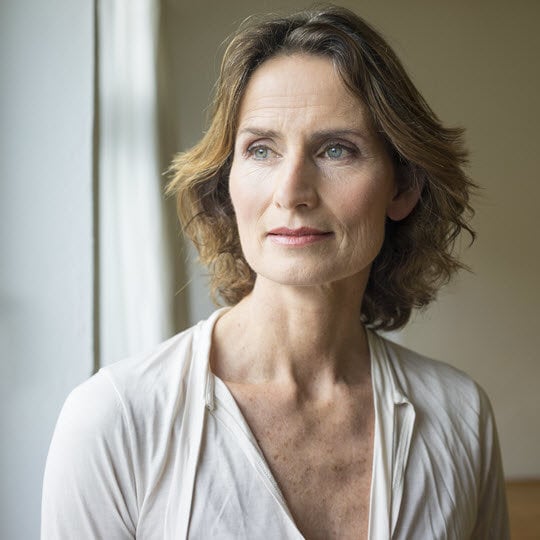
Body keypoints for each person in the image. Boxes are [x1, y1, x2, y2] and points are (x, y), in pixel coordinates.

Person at [41, 5, 509, 539]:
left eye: (337, 149)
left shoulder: (459, 416)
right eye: (261, 149)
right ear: (227, 180)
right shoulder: (117, 420)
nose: (291, 192)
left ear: (402, 187)